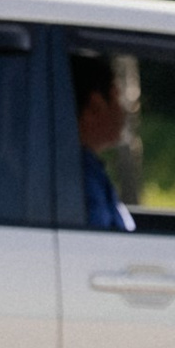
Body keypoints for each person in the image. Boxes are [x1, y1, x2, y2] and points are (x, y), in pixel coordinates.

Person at [70, 51, 136, 231]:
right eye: (117, 96)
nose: (124, 110)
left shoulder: (86, 169)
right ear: (95, 105)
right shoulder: (78, 178)